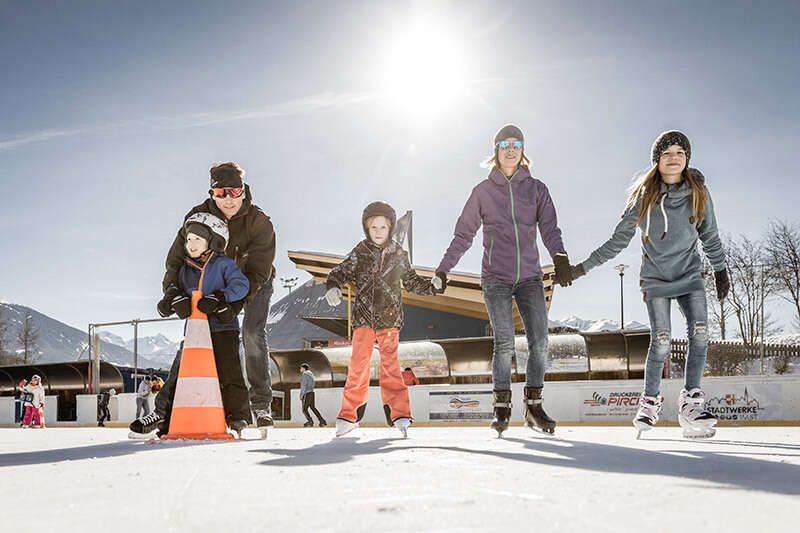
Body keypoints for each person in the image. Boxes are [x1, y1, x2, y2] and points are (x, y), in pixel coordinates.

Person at [568, 130, 729, 439]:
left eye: (680, 153)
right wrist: (581, 269)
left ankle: (692, 401)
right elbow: (618, 241)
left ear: (687, 160)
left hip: (690, 274)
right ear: (657, 160)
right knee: (663, 341)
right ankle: (650, 401)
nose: (674, 158)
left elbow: (710, 234)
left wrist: (721, 270)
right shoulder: (645, 198)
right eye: (667, 153)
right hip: (655, 278)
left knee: (700, 332)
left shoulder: (699, 193)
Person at [435, 124, 572, 436]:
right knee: (505, 342)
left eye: (517, 143)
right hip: (496, 278)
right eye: (505, 144)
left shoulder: (537, 189)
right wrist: (444, 269)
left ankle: (534, 407)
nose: (511, 149)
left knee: (540, 341)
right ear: (495, 151)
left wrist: (560, 256)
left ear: (523, 150)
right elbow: (463, 234)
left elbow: (550, 227)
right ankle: (501, 407)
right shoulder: (482, 192)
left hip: (530, 278)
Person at [134, 162, 277, 434]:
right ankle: (163, 412)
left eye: (234, 191)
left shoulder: (259, 221)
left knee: (251, 334)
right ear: (212, 193)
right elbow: (176, 261)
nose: (228, 199)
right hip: (210, 282)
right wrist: (173, 293)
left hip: (253, 283)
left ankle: (260, 404)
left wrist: (234, 303)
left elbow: (258, 271)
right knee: (193, 340)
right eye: (221, 192)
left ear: (243, 191)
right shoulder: (197, 216)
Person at [325, 201, 442, 438]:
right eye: (373, 227)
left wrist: (432, 287)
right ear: (366, 229)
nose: (378, 232)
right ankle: (349, 415)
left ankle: (400, 414)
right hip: (363, 319)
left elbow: (411, 281)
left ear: (390, 228)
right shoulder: (360, 252)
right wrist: (333, 287)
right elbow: (340, 271)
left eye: (383, 227)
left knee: (391, 367)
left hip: (389, 319)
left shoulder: (399, 254)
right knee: (358, 366)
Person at [130, 212, 252, 436]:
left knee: (230, 371)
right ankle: (161, 416)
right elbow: (174, 290)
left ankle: (238, 417)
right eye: (188, 240)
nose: (191, 244)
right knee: (178, 373)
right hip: (195, 336)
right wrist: (170, 301)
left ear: (213, 241)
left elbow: (241, 285)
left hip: (224, 330)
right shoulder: (185, 270)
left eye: (197, 239)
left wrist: (220, 297)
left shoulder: (223, 264)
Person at [299, 363, 327, 427]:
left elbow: (303, 385)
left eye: (300, 368)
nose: (300, 369)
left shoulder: (304, 374)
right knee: (313, 408)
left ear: (303, 368)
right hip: (312, 393)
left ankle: (310, 421)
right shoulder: (311, 374)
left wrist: (301, 394)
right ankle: (322, 421)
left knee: (304, 409)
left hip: (307, 393)